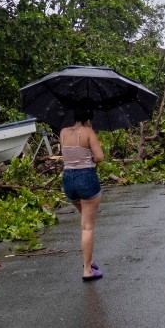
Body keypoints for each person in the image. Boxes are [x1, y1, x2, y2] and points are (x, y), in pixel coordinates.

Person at [60, 108, 105, 281]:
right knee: (88, 226)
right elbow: (100, 157)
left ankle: (90, 260)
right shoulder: (88, 132)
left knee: (85, 219)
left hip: (68, 180)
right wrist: (92, 158)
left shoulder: (63, 132)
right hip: (86, 178)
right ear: (88, 120)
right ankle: (87, 270)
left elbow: (66, 154)